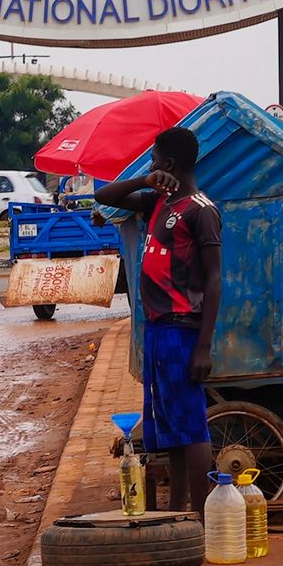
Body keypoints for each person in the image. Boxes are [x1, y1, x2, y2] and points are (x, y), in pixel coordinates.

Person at [95, 127, 221, 516]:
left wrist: (203, 346)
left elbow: (215, 279)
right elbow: (104, 196)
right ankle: (177, 510)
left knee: (192, 428)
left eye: (153, 161)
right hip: (157, 331)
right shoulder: (157, 202)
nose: (150, 166)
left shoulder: (201, 210)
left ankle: (201, 519)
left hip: (182, 330)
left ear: (168, 163)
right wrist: (145, 181)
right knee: (169, 431)